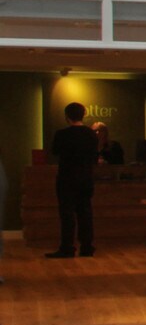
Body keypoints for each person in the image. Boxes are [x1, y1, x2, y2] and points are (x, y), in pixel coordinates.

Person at [50, 102, 98, 259]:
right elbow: (94, 156)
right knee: (85, 212)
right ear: (83, 115)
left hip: (67, 178)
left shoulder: (62, 134)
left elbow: (55, 151)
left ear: (67, 116)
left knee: (67, 214)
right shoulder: (91, 134)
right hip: (86, 178)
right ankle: (87, 247)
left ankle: (67, 247)